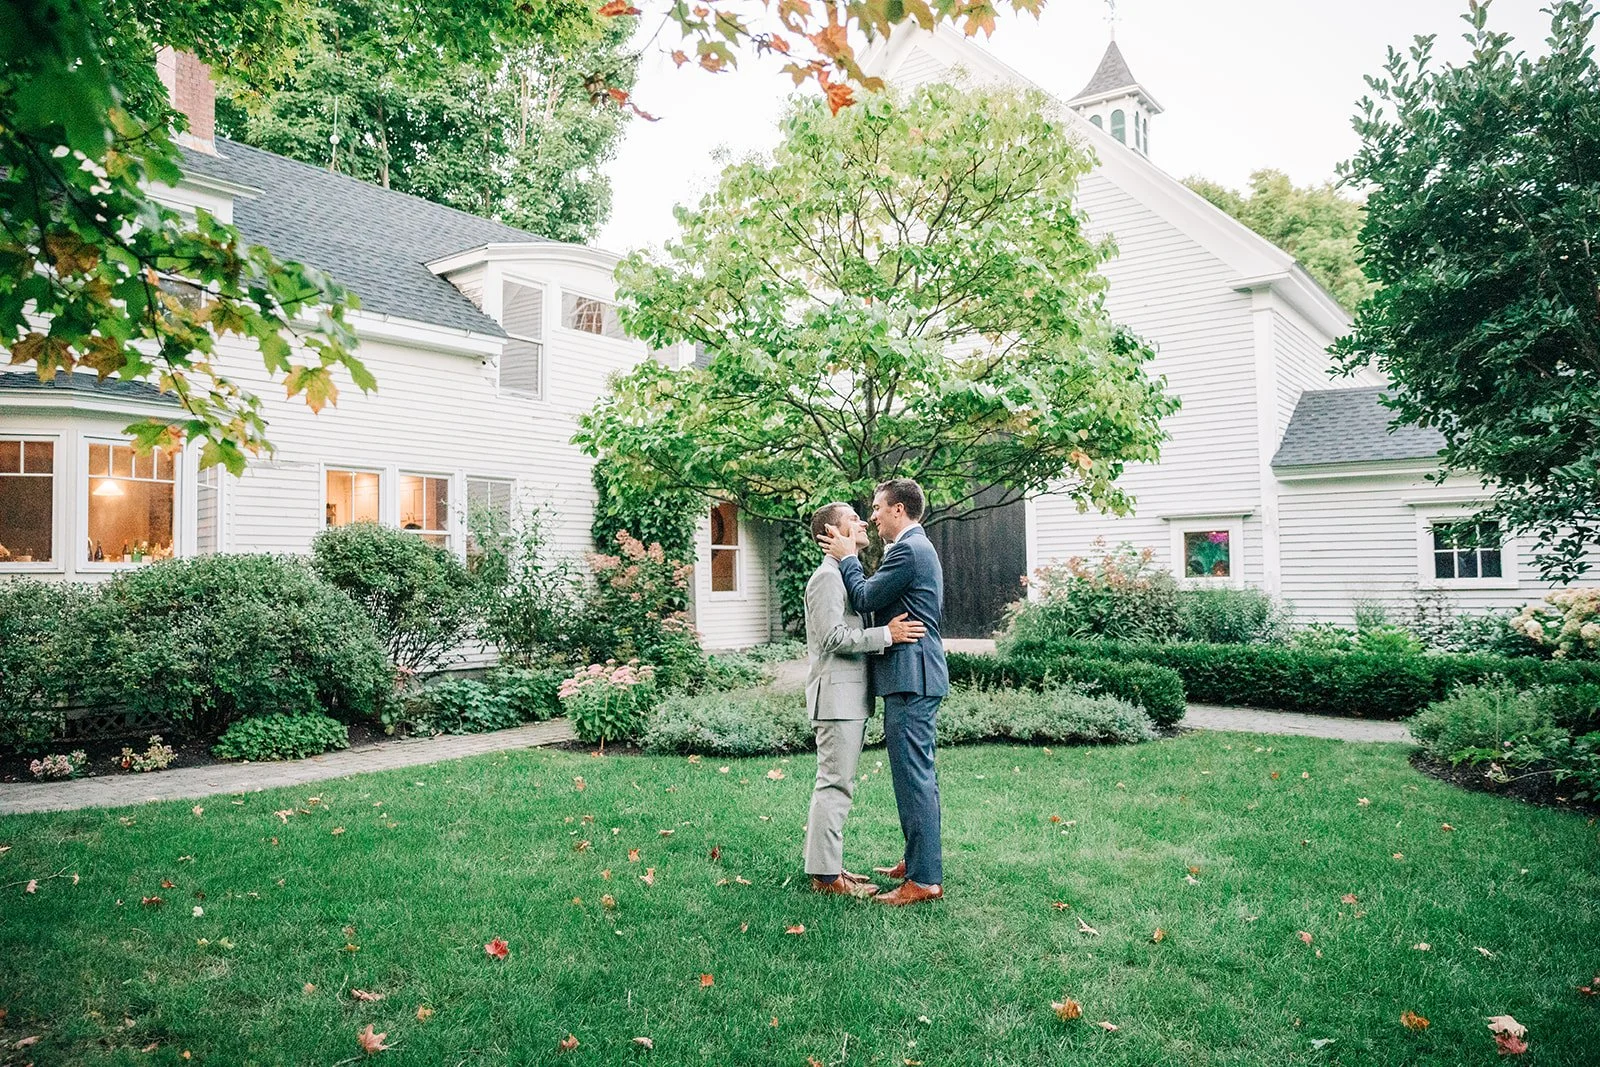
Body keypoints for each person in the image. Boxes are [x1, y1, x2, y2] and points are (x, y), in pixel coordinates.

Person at [819, 478, 947, 906]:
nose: (872, 515)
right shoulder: (909, 549)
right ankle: (916, 862)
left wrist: (848, 557)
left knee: (915, 778)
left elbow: (866, 594)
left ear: (898, 510)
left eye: (876, 507)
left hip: (913, 677)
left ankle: (925, 879)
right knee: (913, 777)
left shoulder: (910, 549)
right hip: (909, 676)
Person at [802, 501, 926, 896]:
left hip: (850, 700)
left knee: (840, 785)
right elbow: (833, 638)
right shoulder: (826, 578)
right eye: (853, 519)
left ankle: (830, 867)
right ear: (831, 534)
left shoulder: (843, 574)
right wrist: (887, 634)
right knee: (834, 786)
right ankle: (825, 878)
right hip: (835, 701)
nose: (863, 522)